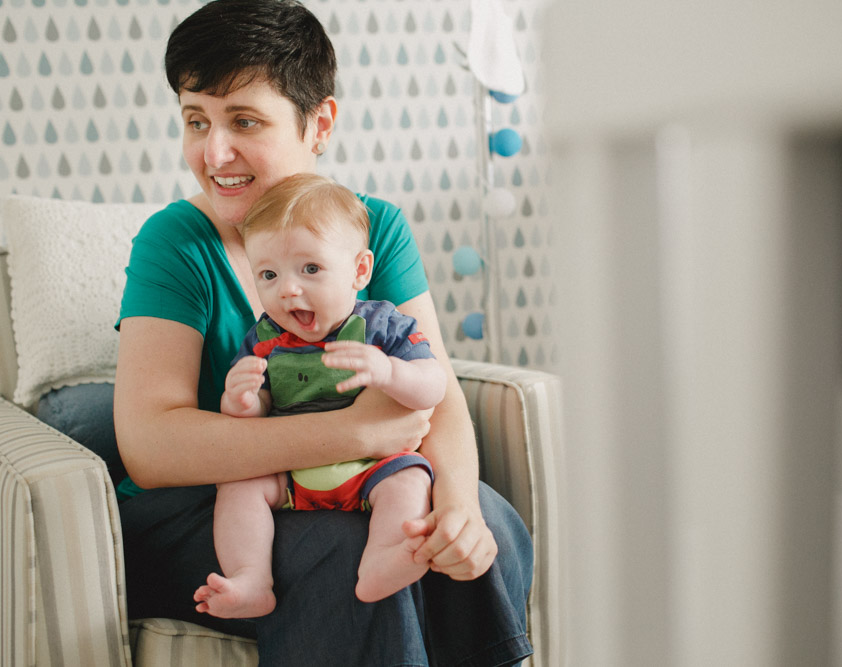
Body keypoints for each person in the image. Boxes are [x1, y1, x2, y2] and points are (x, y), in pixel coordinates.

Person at [113, 0, 533, 664]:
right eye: (196, 120)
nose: (213, 151)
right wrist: (354, 430)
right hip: (209, 512)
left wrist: (457, 503)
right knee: (345, 551)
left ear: (320, 122)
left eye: (244, 120)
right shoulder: (176, 242)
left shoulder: (376, 228)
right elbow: (149, 445)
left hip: (350, 483)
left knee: (488, 526)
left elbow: (437, 390)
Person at [195, 174, 447, 616]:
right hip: (293, 473)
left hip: (374, 467)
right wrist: (241, 401)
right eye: (269, 275)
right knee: (238, 484)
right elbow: (256, 418)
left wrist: (390, 371)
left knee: (412, 479)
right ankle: (251, 577)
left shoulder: (382, 326)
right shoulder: (265, 339)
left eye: (310, 269)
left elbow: (434, 384)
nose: (288, 289)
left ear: (359, 271)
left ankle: (382, 557)